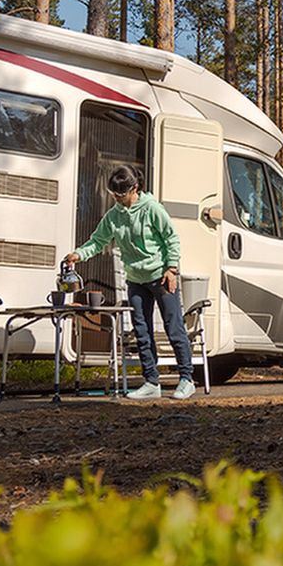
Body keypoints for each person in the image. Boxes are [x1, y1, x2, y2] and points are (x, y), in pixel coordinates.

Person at [65, 165, 195, 399]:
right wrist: (78, 254)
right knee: (141, 330)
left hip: (161, 275)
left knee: (173, 327)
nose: (116, 198)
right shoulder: (114, 215)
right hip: (135, 279)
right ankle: (151, 382)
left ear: (134, 188)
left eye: (120, 194)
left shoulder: (152, 209)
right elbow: (98, 241)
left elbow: (171, 239)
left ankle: (186, 378)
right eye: (113, 194)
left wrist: (172, 269)